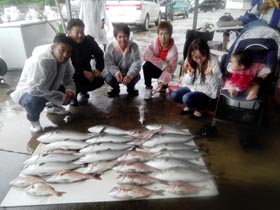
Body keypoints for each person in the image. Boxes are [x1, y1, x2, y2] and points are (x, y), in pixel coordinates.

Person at [10, 33, 76, 133]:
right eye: (62, 50)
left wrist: (70, 91)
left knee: (72, 89)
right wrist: (61, 98)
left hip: (49, 88)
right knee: (35, 102)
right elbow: (35, 89)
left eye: (69, 52)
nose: (65, 55)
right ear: (53, 47)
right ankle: (34, 121)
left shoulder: (65, 60)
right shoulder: (39, 61)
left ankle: (52, 106)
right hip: (29, 92)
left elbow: (68, 78)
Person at [171, 39, 222, 119]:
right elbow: (185, 83)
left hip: (206, 93)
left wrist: (210, 75)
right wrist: (190, 75)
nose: (199, 60)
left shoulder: (213, 61)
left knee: (187, 98)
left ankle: (201, 108)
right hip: (193, 89)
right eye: (196, 57)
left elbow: (218, 86)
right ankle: (190, 105)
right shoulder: (189, 60)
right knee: (174, 95)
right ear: (191, 54)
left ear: (207, 52)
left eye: (202, 56)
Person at [67, 18, 105, 106]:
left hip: (88, 73)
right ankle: (73, 96)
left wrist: (98, 69)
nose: (80, 35)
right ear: (69, 32)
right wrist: (82, 72)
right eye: (77, 32)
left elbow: (99, 54)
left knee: (99, 80)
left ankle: (83, 91)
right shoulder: (65, 44)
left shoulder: (88, 41)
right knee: (71, 81)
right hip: (70, 74)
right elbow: (65, 64)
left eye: (82, 31)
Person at [103, 23, 141, 98]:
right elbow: (109, 63)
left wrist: (130, 75)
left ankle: (130, 88)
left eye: (125, 36)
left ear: (128, 36)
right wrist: (116, 72)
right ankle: (115, 89)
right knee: (108, 77)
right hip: (115, 74)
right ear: (115, 37)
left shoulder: (134, 46)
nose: (122, 40)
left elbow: (137, 62)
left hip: (128, 73)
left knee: (136, 76)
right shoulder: (110, 47)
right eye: (119, 37)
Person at [142, 21, 178, 100]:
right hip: (155, 69)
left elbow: (170, 69)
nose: (163, 37)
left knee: (163, 90)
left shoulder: (174, 50)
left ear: (170, 35)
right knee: (146, 65)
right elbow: (146, 55)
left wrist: (162, 82)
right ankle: (148, 87)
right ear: (158, 34)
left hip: (165, 73)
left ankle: (163, 86)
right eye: (161, 34)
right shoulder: (154, 43)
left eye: (166, 34)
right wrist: (163, 64)